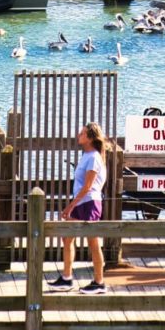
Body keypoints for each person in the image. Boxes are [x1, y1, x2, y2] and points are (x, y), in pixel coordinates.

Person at [48, 123, 108, 294]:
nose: (78, 134)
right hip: (81, 202)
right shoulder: (86, 155)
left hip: (90, 203)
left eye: (82, 133)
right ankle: (66, 278)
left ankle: (99, 282)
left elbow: (88, 187)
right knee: (67, 238)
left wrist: (70, 206)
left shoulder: (94, 158)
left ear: (90, 138)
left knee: (93, 242)